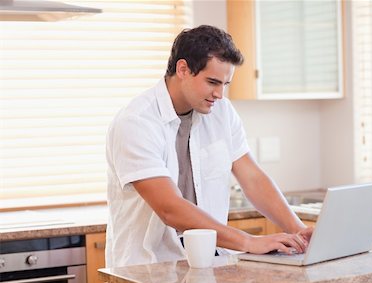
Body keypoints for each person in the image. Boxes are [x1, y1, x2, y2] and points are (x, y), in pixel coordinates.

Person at [105, 25, 313, 267]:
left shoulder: (221, 112)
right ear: (183, 69)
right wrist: (248, 242)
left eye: (225, 84)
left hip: (209, 263)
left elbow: (253, 178)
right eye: (212, 82)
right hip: (148, 266)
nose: (220, 94)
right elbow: (169, 208)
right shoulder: (135, 122)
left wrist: (299, 231)